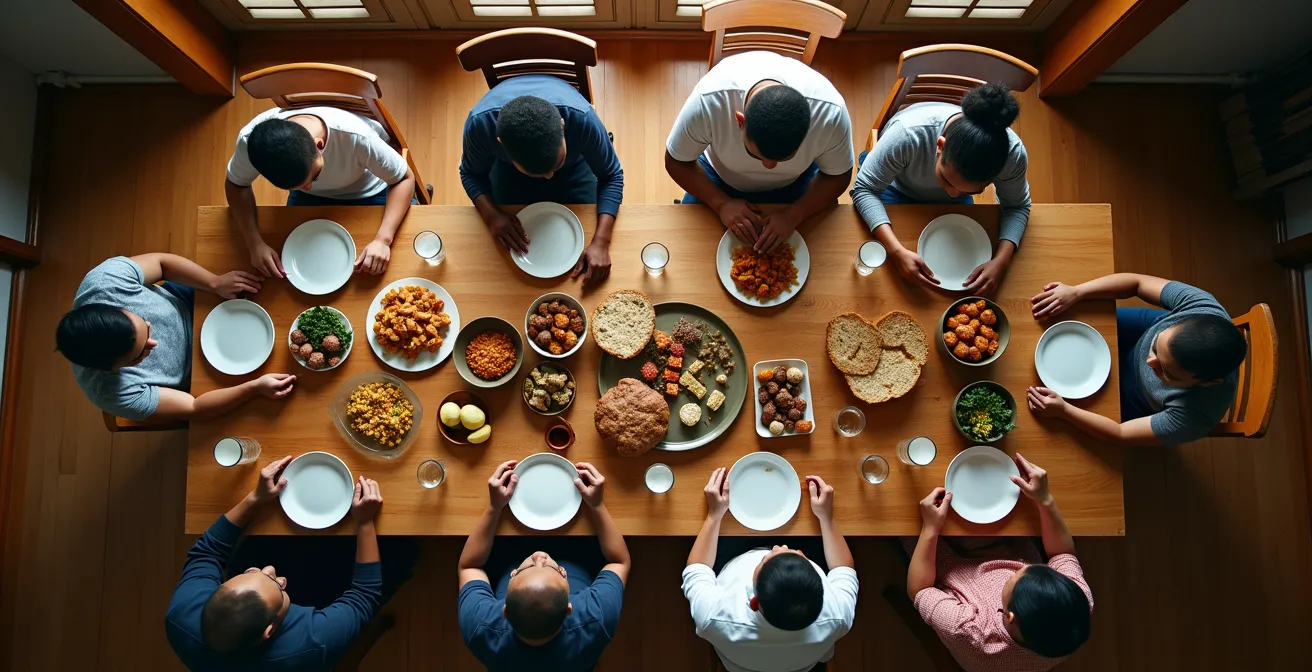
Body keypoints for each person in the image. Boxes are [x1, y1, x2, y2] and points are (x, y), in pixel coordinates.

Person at [165, 458, 405, 671]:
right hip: (314, 620)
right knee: (400, 553)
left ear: (216, 590)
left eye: (252, 572)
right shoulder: (312, 643)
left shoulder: (182, 612)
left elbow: (208, 551)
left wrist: (255, 498)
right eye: (278, 585)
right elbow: (365, 594)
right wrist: (364, 522)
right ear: (269, 631)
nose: (271, 570)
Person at [56, 254, 296, 422]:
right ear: (109, 369)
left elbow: (162, 264)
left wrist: (215, 282)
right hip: (199, 372)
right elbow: (194, 406)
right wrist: (253, 388)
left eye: (145, 326)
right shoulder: (111, 393)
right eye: (139, 354)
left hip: (185, 303)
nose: (154, 342)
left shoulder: (105, 282)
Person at [907, 454, 1092, 671]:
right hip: (1007, 541)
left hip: (941, 561)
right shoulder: (1075, 602)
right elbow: (1062, 553)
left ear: (1009, 616)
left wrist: (930, 528)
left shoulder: (968, 630)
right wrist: (1044, 499)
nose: (1024, 566)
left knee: (904, 510)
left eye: (1017, 575)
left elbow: (919, 590)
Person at [665, 50, 854, 254]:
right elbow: (676, 161)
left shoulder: (830, 115)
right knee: (690, 250)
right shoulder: (709, 102)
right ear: (740, 121)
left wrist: (794, 215)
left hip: (796, 183)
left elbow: (839, 176)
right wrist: (720, 204)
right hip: (718, 178)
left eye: (784, 158)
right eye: (755, 155)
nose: (769, 168)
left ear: (809, 129)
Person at [851, 82, 1031, 295]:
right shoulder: (907, 135)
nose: (952, 194)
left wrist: (1002, 260)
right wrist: (895, 250)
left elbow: (1017, 206)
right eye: (947, 179)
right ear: (940, 146)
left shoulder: (1012, 156)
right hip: (895, 187)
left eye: (971, 192)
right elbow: (864, 189)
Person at [1027, 273, 1246, 445]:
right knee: (1068, 319)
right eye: (1156, 349)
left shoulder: (1195, 417)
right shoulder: (1202, 305)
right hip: (1140, 331)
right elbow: (1136, 283)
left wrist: (1064, 411)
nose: (1150, 363)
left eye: (1166, 372)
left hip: (1137, 396)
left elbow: (1120, 433)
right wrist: (1076, 292)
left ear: (1207, 383)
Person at [457, 461, 630, 671]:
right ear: (569, 609)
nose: (540, 555)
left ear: (505, 611)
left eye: (524, 569)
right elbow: (618, 561)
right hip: (580, 553)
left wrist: (494, 507)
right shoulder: (595, 617)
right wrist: (597, 505)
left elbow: (470, 566)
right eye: (558, 571)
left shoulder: (481, 627)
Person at [682, 469, 859, 672]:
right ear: (823, 590)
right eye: (796, 554)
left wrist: (714, 515)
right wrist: (826, 517)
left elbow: (697, 567)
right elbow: (843, 569)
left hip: (734, 553)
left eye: (764, 560)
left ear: (754, 602)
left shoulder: (713, 618)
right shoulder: (838, 615)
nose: (778, 547)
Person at [459, 76, 624, 285]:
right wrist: (491, 216)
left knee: (589, 222)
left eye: (556, 165)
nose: (549, 178)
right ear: (500, 143)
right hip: (509, 172)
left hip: (574, 167)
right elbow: (470, 173)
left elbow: (612, 175)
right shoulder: (480, 125)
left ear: (563, 125)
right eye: (538, 173)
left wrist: (602, 241)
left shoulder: (582, 119)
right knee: (501, 254)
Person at [225, 107, 417, 277]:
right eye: (298, 186)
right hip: (309, 200)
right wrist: (254, 243)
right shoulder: (252, 144)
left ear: (319, 146)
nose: (310, 187)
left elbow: (404, 178)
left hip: (369, 191)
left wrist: (383, 240)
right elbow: (236, 184)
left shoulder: (357, 137)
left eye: (314, 177)